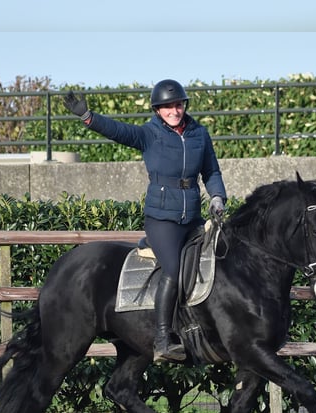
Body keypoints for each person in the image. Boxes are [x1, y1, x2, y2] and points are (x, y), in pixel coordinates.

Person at [63, 79, 227, 362]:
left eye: (177, 105)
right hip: (162, 221)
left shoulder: (200, 133)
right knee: (174, 269)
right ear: (157, 110)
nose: (174, 110)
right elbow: (118, 131)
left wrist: (217, 197)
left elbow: (211, 171)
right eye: (167, 107)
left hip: (193, 218)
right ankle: (163, 339)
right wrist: (88, 117)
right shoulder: (149, 134)